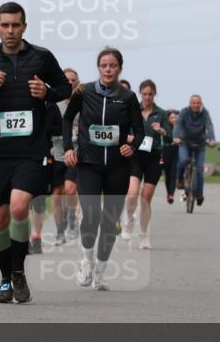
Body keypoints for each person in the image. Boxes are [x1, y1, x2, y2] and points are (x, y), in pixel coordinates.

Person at [0, 1, 71, 304]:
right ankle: (6, 279)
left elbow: (65, 88)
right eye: (4, 25)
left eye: (15, 25)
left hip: (30, 151)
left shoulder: (42, 57)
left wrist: (48, 92)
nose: (10, 30)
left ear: (24, 27)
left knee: (19, 207)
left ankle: (18, 271)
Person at [63, 47, 144, 291]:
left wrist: (133, 147)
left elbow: (139, 131)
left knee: (109, 221)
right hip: (89, 163)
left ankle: (100, 270)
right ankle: (86, 261)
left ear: (120, 68)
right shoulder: (84, 91)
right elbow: (67, 119)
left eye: (112, 65)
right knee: (91, 215)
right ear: (98, 68)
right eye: (103, 65)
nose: (108, 69)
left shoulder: (128, 97)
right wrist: (68, 148)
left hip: (118, 167)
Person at [122, 80, 168, 249]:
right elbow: (124, 130)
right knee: (132, 194)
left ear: (154, 94)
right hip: (136, 156)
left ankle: (143, 235)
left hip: (154, 158)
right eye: (144, 94)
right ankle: (129, 219)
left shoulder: (161, 114)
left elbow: (169, 137)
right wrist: (128, 137)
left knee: (145, 198)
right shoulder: (133, 110)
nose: (147, 97)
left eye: (150, 94)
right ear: (140, 93)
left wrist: (162, 131)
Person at [29, 99, 64, 253]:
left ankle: (36, 236)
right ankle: (22, 237)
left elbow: (60, 128)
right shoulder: (20, 99)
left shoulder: (51, 105)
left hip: (43, 154)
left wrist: (45, 128)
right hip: (20, 154)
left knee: (38, 198)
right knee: (22, 199)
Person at [173, 94, 216, 207]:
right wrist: (176, 137)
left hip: (200, 144)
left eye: (198, 103)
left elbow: (209, 126)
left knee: (200, 170)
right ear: (190, 103)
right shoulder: (184, 112)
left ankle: (199, 194)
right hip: (185, 142)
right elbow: (178, 124)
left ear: (201, 104)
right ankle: (180, 179)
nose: (196, 105)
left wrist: (211, 139)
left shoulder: (205, 113)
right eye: (194, 103)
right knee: (182, 161)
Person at [60, 68, 81, 240]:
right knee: (58, 193)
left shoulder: (84, 103)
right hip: (56, 152)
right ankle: (61, 226)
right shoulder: (54, 103)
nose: (70, 83)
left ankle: (72, 218)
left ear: (78, 83)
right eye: (67, 80)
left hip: (78, 152)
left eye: (73, 80)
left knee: (70, 188)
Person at [161, 109, 179, 203]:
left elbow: (180, 112)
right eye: (172, 117)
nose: (174, 119)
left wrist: (174, 110)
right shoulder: (165, 126)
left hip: (176, 151)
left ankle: (171, 194)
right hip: (166, 151)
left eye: (176, 117)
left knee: (173, 175)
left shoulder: (180, 127)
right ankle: (169, 193)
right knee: (167, 175)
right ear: (168, 119)